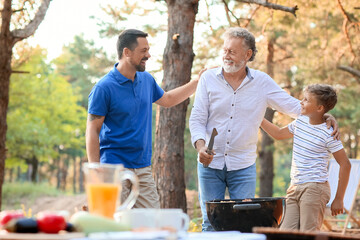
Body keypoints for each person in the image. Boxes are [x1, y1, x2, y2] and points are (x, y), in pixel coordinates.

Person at [189, 27, 339, 231]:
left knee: (243, 224)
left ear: (247, 54)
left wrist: (325, 115)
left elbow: (297, 108)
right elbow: (197, 118)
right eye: (224, 50)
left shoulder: (262, 82)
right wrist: (200, 147)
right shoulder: (208, 79)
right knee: (210, 223)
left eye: (232, 51)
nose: (226, 55)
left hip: (243, 166)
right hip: (209, 166)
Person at [86, 29, 203, 209]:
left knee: (151, 222)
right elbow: (92, 130)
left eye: (148, 50)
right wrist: (96, 171)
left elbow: (168, 100)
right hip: (114, 168)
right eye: (143, 51)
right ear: (127, 52)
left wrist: (197, 82)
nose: (148, 55)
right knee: (118, 225)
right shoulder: (104, 87)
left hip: (143, 169)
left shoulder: (146, 80)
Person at [260, 84, 351, 231]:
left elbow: (346, 164)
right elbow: (278, 134)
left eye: (306, 100)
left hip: (315, 188)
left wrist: (339, 198)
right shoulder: (300, 122)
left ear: (319, 108)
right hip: (294, 187)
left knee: (308, 233)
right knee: (285, 233)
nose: (301, 102)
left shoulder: (329, 132)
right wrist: (258, 118)